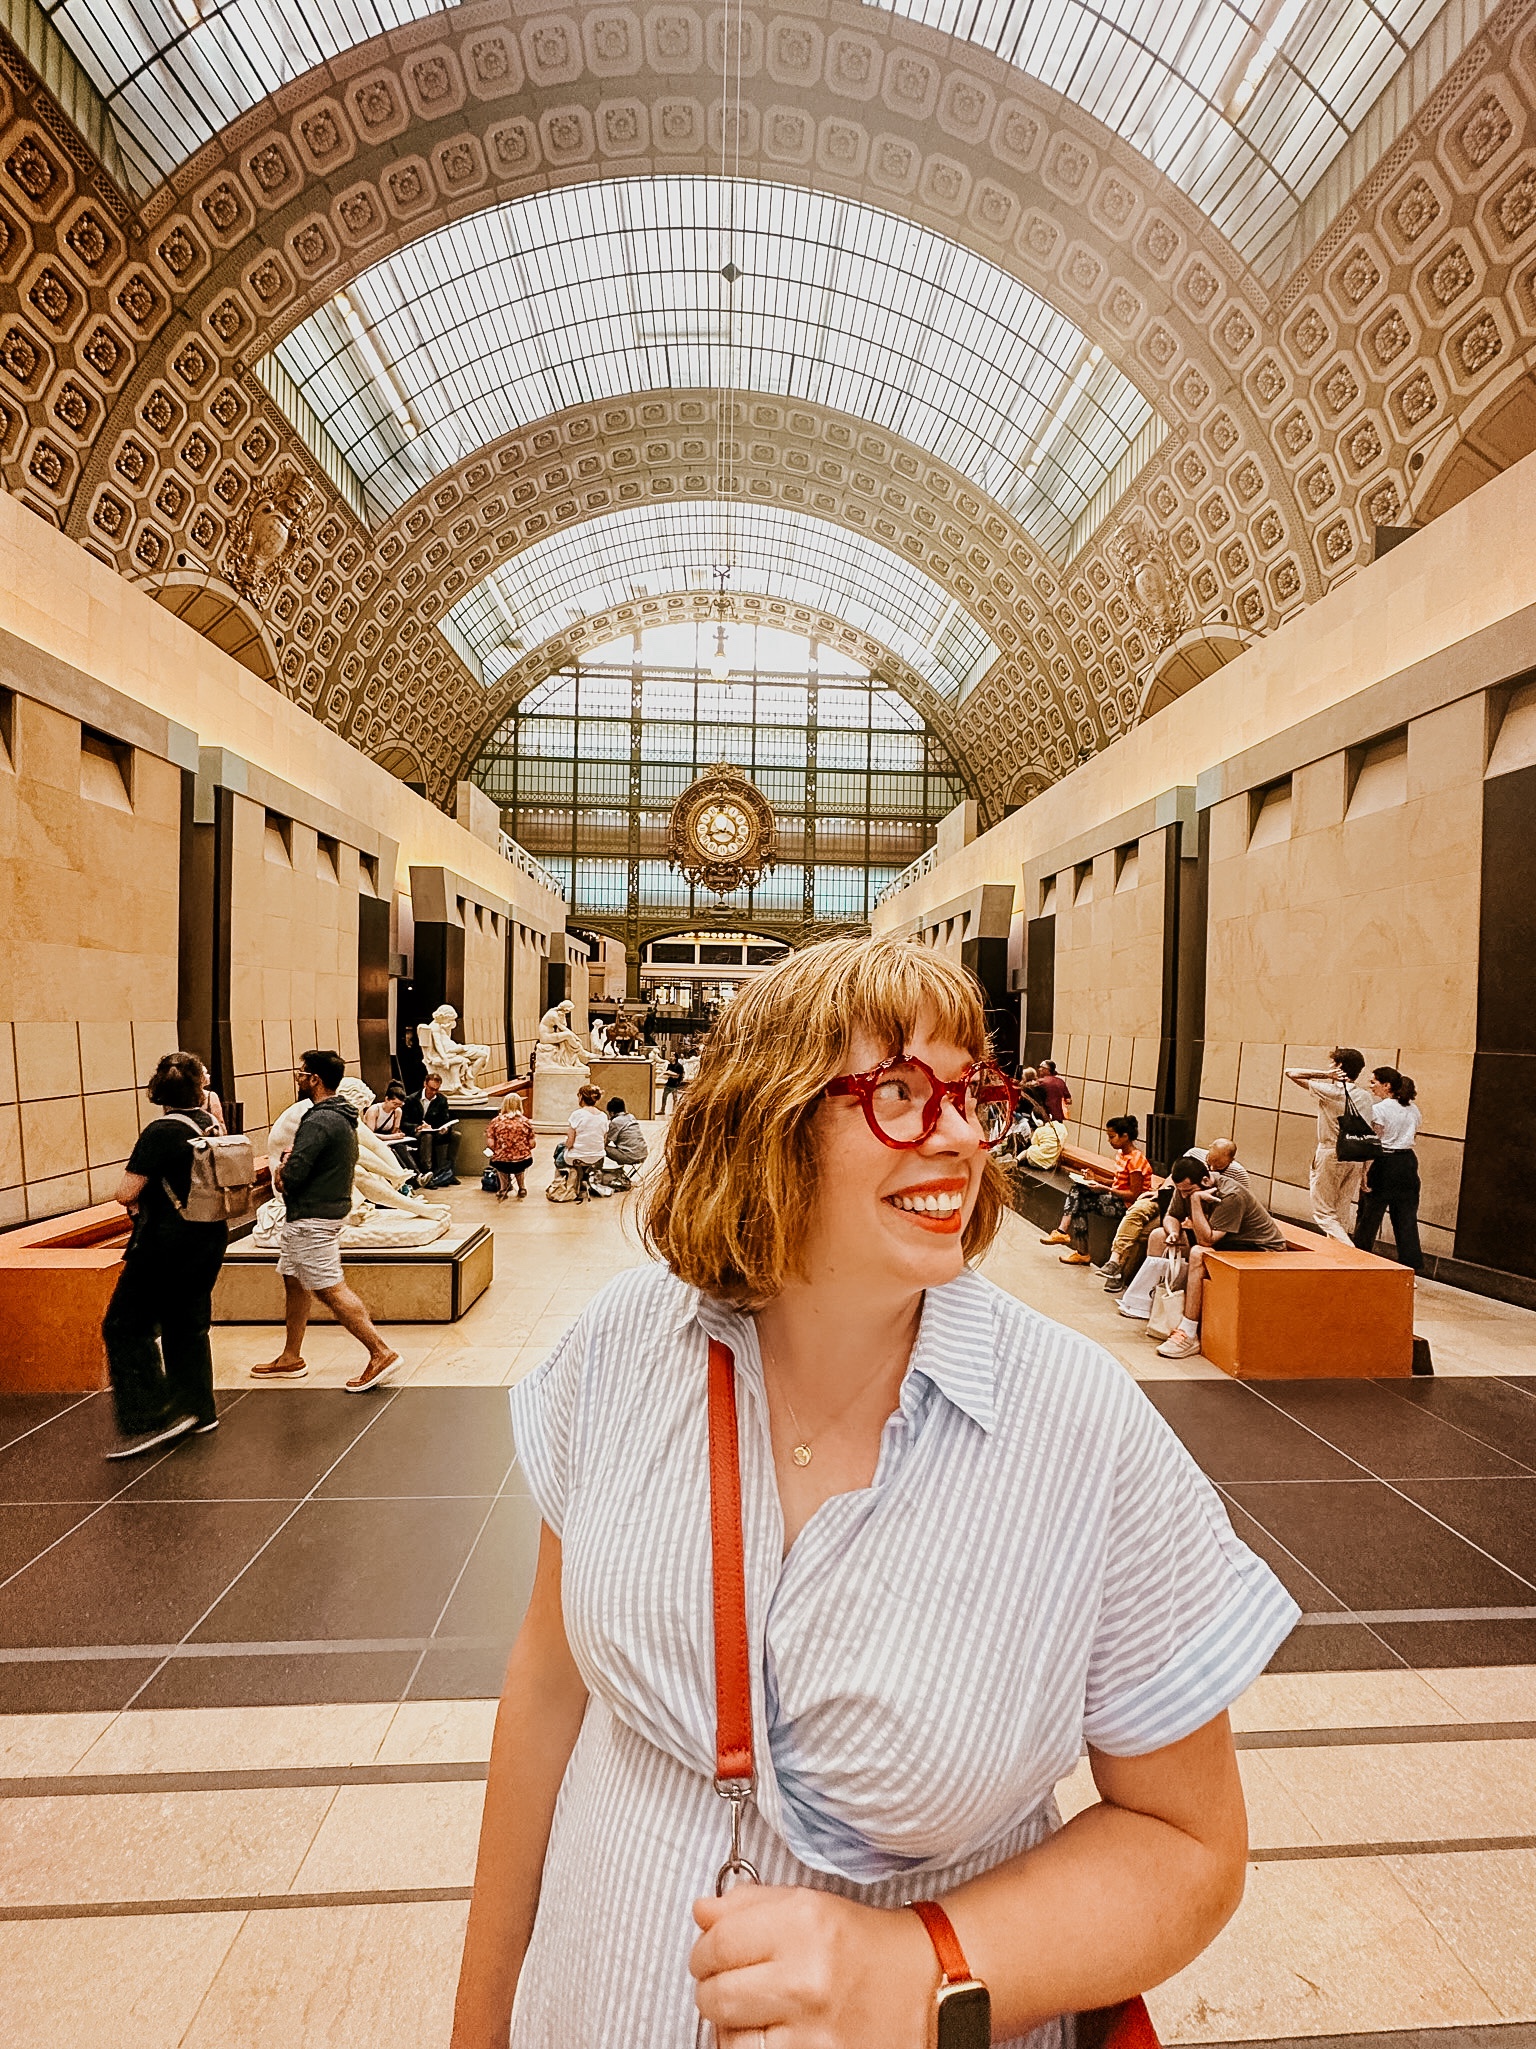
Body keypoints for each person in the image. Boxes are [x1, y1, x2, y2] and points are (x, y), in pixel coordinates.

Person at [450, 936, 1296, 2049]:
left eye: (968, 1093)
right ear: (766, 1122)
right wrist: (478, 2023)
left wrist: (919, 1967)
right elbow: (550, 1684)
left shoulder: (1076, 1425)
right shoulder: (624, 1347)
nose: (956, 1134)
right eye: (900, 1090)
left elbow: (1190, 1845)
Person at [101, 1052, 230, 1459]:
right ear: (199, 1087)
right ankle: (198, 1408)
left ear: (156, 1091)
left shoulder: (160, 1131)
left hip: (165, 1244)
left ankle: (152, 1411)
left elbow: (126, 1192)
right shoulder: (209, 1123)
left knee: (123, 1325)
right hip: (208, 1236)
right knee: (187, 1323)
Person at [251, 1049, 400, 1392]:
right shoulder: (342, 1114)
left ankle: (380, 1352)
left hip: (312, 1216)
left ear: (314, 1079)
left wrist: (282, 1169)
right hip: (317, 1211)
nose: (298, 1078)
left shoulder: (318, 1120)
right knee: (294, 1278)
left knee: (329, 1288)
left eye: (301, 1073)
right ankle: (291, 1356)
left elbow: (295, 1175)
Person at [1153, 1155, 1293, 1361]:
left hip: (1261, 1250)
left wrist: (1195, 1201)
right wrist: (1173, 1232)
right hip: (1227, 1243)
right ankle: (1155, 1312)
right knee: (1158, 1237)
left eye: (1188, 1192)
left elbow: (1206, 1240)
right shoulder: (1186, 1188)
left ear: (1206, 1181)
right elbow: (1172, 1216)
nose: (1183, 1196)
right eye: (1181, 1192)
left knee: (1199, 1253)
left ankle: (1189, 1333)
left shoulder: (1230, 1195)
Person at [1095, 1139, 1247, 1294]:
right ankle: (1114, 1261)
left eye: (1219, 1166)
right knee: (1138, 1210)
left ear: (1231, 1160)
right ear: (1209, 1150)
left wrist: (1194, 1218)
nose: (1212, 1168)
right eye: (1210, 1162)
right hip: (1173, 1198)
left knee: (1146, 1232)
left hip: (1199, 1216)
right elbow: (1174, 1178)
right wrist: (1160, 1191)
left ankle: (1123, 1275)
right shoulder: (1194, 1154)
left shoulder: (1238, 1175)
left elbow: (1234, 1207)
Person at [1284, 1048, 1375, 1243]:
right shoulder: (1366, 1096)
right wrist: (1366, 1169)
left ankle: (1350, 1254)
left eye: (1332, 1064)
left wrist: (1326, 1075)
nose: (1329, 1067)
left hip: (1331, 1152)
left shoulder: (1333, 1092)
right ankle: (1338, 1259)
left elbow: (1290, 1072)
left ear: (1339, 1067)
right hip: (1356, 1157)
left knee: (1323, 1213)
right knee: (1340, 1213)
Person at [1040, 1114, 1152, 1264]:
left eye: (1112, 1137)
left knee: (1079, 1199)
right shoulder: (1121, 1155)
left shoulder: (1136, 1160)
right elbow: (1118, 1181)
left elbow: (1134, 1194)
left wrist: (1105, 1189)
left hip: (1128, 1207)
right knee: (1079, 1194)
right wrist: (1095, 1179)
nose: (1109, 1141)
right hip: (1118, 1199)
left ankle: (1065, 1234)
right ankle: (1077, 1247)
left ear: (1125, 1136)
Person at [1352, 1067, 1423, 1273]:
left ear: (1387, 1086)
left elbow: (1375, 1141)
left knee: (1369, 1215)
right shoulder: (1413, 1109)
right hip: (1408, 1162)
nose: (1370, 1086)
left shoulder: (1380, 1110)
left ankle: (1359, 1258)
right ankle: (1411, 1265)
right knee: (1406, 1217)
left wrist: (1365, 1172)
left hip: (1384, 1162)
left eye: (1374, 1082)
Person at [403, 1072, 460, 1185]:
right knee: (427, 1136)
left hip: (434, 1130)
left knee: (456, 1135)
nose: (433, 1092)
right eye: (431, 1089)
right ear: (425, 1084)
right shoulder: (412, 1099)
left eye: (436, 1090)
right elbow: (403, 1122)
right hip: (418, 1132)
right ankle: (427, 1172)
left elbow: (444, 1119)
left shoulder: (441, 1100)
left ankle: (448, 1170)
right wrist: (417, 1127)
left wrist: (445, 1128)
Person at [590, 1094, 648, 1194]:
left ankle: (595, 1173)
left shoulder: (616, 1122)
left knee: (601, 1148)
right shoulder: (631, 1117)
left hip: (630, 1156)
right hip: (643, 1153)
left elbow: (605, 1141)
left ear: (612, 1112)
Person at [564, 1082, 610, 1202]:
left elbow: (570, 1143)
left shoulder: (577, 1114)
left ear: (581, 1097)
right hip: (598, 1156)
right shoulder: (603, 1116)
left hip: (578, 1157)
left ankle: (567, 1185)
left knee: (559, 1156)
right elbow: (604, 1138)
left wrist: (565, 1145)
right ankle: (586, 1179)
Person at [486, 1099, 536, 1200]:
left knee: (501, 1165)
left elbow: (491, 1143)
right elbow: (532, 1144)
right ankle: (522, 1188)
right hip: (522, 1161)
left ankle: (503, 1189)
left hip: (501, 1162)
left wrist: (501, 1150)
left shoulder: (496, 1121)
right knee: (519, 1166)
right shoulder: (525, 1122)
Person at [1034, 1057, 1072, 1122]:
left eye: (1041, 1068)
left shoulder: (1040, 1082)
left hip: (1044, 1116)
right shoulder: (1061, 1082)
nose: (1039, 1069)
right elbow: (1069, 1100)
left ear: (1047, 1070)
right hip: (1058, 1117)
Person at [660, 1048, 686, 1115]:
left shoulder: (679, 1066)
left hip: (675, 1085)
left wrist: (671, 1074)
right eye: (670, 1056)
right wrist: (670, 1074)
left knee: (675, 1098)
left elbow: (678, 1076)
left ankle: (674, 1111)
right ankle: (662, 1110)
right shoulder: (669, 1065)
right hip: (669, 1083)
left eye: (672, 1056)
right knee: (664, 1097)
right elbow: (667, 1074)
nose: (671, 1057)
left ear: (675, 1057)